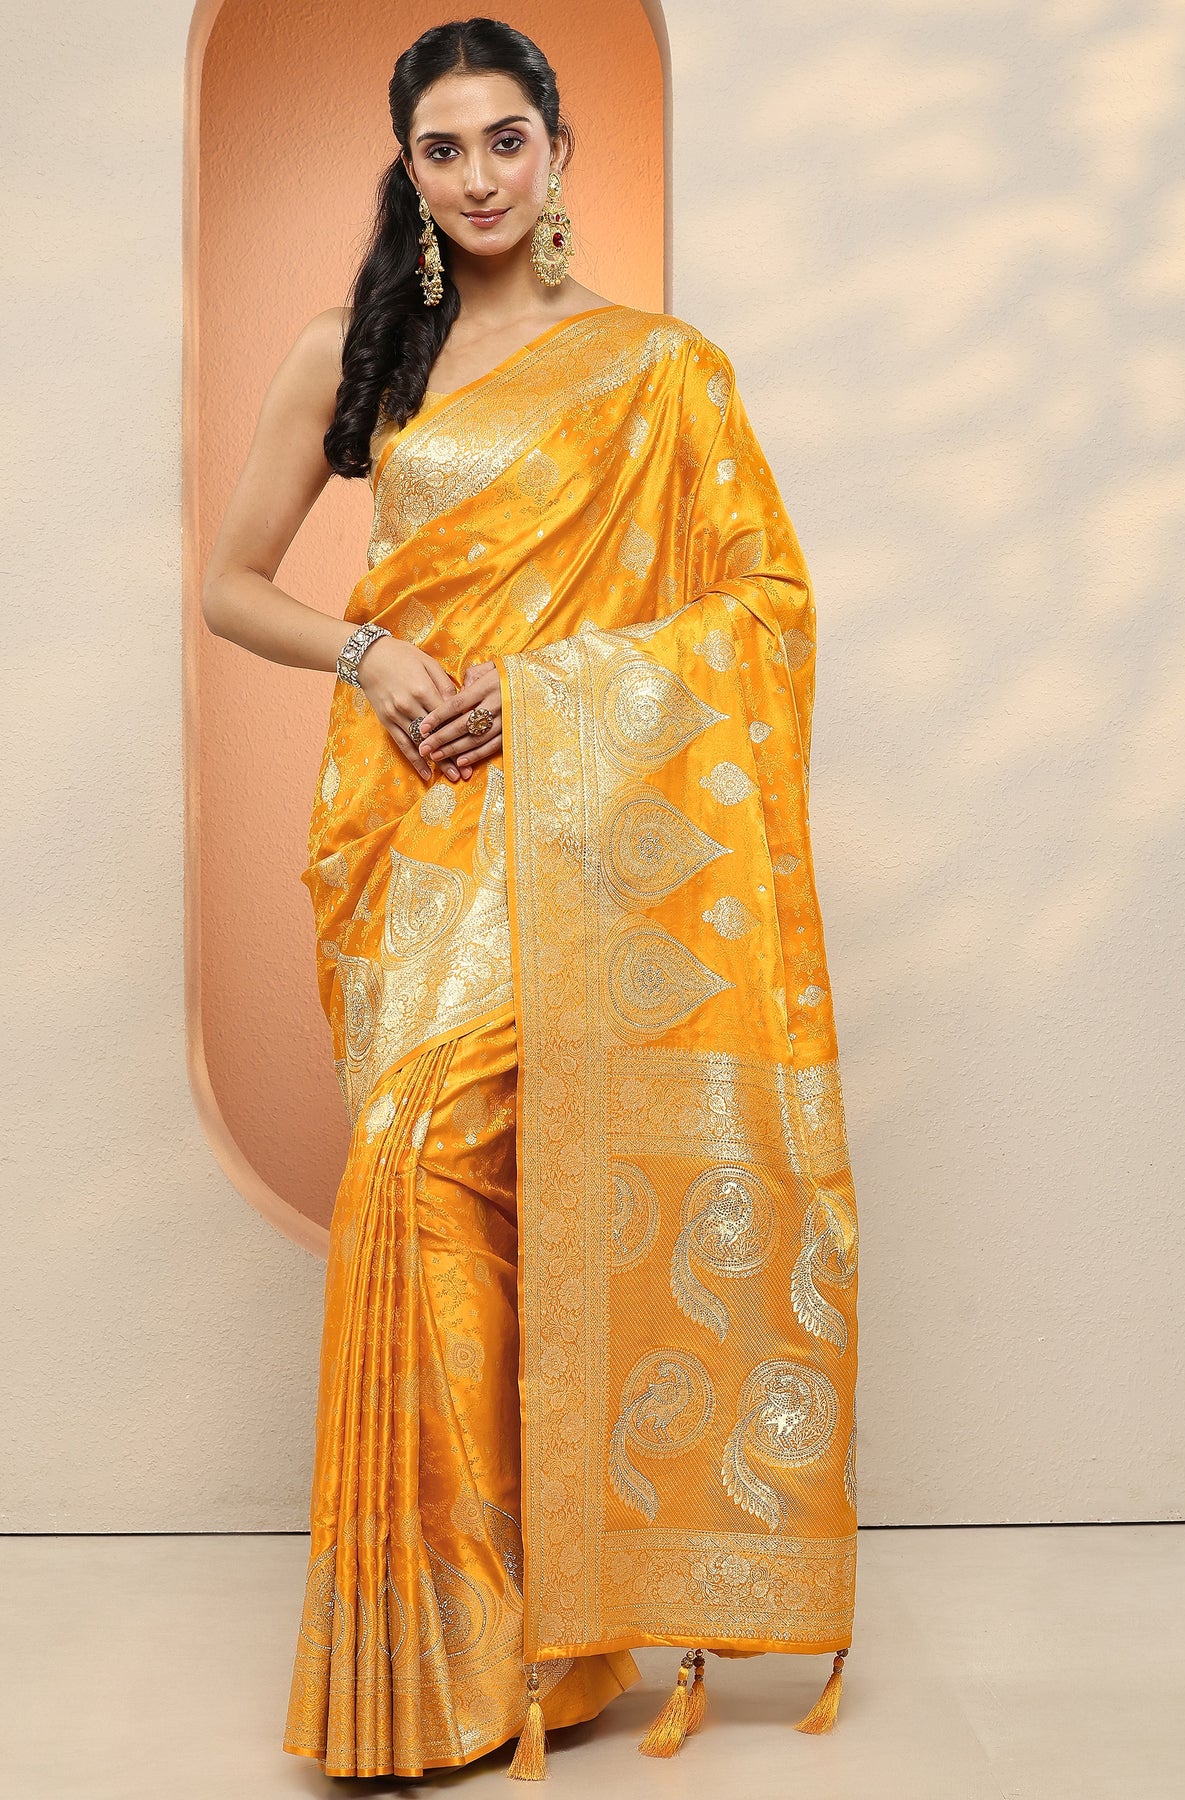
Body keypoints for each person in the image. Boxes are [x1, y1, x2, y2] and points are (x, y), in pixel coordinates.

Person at [201, 16, 861, 1782]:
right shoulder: (353, 352)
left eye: (507, 140)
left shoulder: (659, 372)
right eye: (444, 148)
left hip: (585, 841)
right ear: (406, 168)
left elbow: (766, 613)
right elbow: (232, 582)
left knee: (506, 1180)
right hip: (413, 839)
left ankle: (539, 1640)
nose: (480, 176)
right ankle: (446, 1649)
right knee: (418, 1178)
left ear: (560, 151)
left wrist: (555, 691)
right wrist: (370, 655)